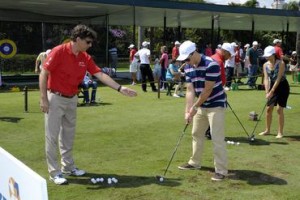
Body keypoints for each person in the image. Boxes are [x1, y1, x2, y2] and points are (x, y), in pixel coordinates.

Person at [39, 24, 137, 185]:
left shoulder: (85, 57)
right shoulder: (59, 51)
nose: (90, 45)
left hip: (72, 99)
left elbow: (99, 74)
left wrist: (120, 88)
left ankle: (68, 167)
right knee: (52, 136)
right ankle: (54, 172)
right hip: (55, 98)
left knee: (68, 135)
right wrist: (43, 98)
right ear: (78, 40)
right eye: (88, 42)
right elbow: (44, 74)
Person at [176, 40, 228, 181]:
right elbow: (190, 90)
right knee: (196, 133)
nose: (186, 61)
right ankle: (195, 162)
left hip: (216, 104)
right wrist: (188, 111)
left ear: (194, 53)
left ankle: (221, 170)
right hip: (201, 105)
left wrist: (194, 108)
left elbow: (207, 91)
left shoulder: (211, 64)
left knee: (217, 137)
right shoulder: (188, 67)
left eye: (187, 58)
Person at [259, 46, 290, 139]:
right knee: (269, 108)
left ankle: (280, 132)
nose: (266, 57)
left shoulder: (281, 63)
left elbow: (279, 78)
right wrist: (266, 92)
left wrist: (271, 91)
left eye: (268, 56)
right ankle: (267, 130)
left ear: (273, 55)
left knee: (279, 109)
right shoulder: (265, 65)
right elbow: (266, 79)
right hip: (273, 85)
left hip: (283, 86)